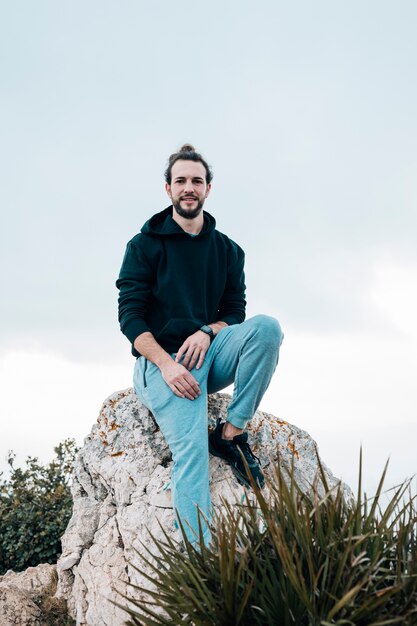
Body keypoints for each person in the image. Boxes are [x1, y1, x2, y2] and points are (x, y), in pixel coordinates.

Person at [116, 144, 283, 546]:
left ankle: (229, 433)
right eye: (181, 181)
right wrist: (166, 365)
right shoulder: (145, 245)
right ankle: (200, 563)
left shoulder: (228, 250)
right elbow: (130, 316)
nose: (188, 188)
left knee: (267, 329)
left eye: (196, 181)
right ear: (168, 189)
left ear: (209, 188)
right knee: (191, 455)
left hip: (211, 351)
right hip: (163, 364)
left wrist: (208, 331)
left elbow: (235, 312)